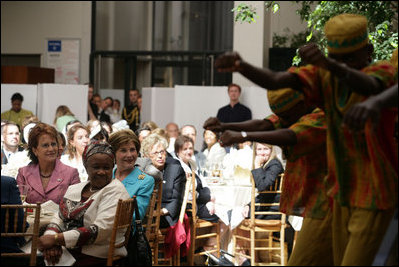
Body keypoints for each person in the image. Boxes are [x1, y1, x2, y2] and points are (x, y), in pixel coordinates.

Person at [213, 13, 397, 266]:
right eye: (336, 59)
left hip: (372, 193)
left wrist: (329, 64)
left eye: (350, 58)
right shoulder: (327, 81)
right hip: (340, 195)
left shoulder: (380, 73)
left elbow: (370, 86)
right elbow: (278, 84)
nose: (343, 65)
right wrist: (241, 66)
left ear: (369, 52)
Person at [205, 88, 330, 265]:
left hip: (328, 201)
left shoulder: (319, 118)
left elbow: (288, 135)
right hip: (311, 204)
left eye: (285, 115)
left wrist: (242, 136)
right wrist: (225, 126)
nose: (282, 120)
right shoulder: (292, 114)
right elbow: (264, 124)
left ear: (302, 105)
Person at [38, 141, 130, 265]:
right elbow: (58, 218)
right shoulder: (74, 189)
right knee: (35, 258)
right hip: (68, 249)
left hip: (96, 255)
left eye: (106, 168)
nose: (101, 172)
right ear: (86, 167)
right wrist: (52, 240)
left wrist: (56, 239)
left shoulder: (116, 190)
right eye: (96, 167)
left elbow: (100, 229)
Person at [16, 123, 80, 204]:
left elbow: (74, 208)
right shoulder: (23, 173)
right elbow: (19, 205)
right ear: (35, 150)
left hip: (58, 217)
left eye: (53, 144)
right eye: (45, 145)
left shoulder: (71, 173)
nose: (51, 149)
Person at [108, 129, 155, 222]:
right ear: (113, 153)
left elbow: (137, 215)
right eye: (123, 150)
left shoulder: (145, 181)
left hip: (126, 232)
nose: (129, 155)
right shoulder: (107, 174)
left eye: (132, 150)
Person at [140, 133, 186, 228]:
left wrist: (159, 212)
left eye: (162, 152)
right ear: (146, 156)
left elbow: (176, 201)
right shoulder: (142, 171)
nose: (160, 156)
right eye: (155, 153)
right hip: (146, 213)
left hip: (166, 215)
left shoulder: (175, 170)